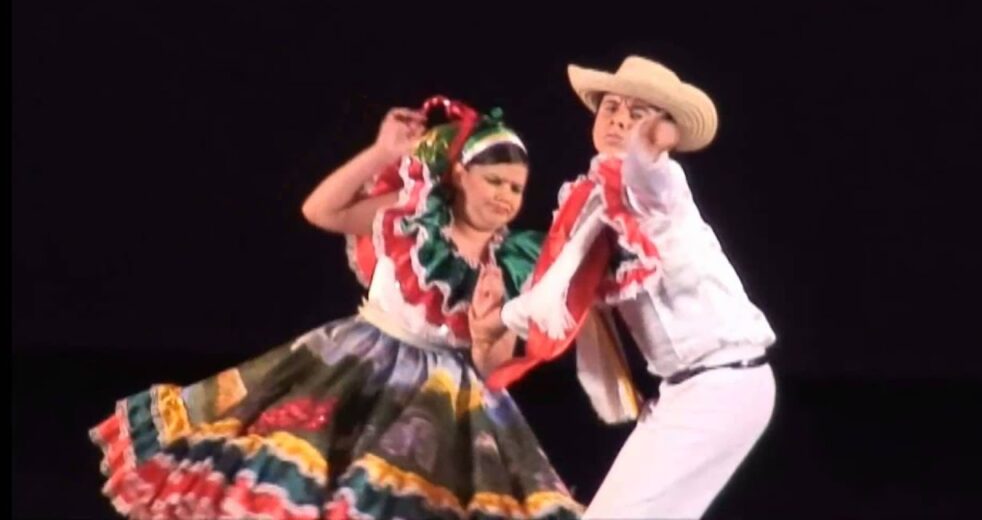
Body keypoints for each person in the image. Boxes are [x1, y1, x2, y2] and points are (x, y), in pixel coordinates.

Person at [88, 96, 584, 520]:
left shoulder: (512, 262)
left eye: (515, 188)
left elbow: (495, 366)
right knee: (315, 483)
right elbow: (322, 211)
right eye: (494, 181)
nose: (504, 196)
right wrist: (381, 152)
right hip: (360, 368)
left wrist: (484, 325)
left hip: (443, 401)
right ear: (460, 174)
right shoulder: (412, 217)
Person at [477, 56, 778, 519]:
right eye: (611, 108)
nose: (618, 118)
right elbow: (555, 292)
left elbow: (649, 176)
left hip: (722, 385)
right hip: (691, 389)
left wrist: (647, 149)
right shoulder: (593, 207)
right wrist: (495, 318)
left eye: (636, 113)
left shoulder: (659, 192)